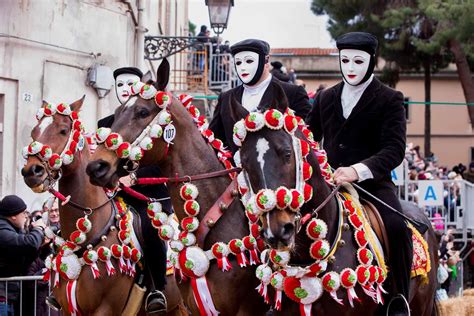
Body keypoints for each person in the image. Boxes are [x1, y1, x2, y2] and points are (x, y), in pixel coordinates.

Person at [305, 32, 412, 315]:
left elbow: (394, 149)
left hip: (372, 185)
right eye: (345, 61)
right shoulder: (324, 98)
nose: (350, 68)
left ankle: (398, 300)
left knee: (398, 228)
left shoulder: (391, 99)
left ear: (371, 61)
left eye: (357, 61)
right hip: (328, 184)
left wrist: (356, 170)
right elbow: (307, 139)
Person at [99, 66, 170, 314]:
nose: (124, 89)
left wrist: (133, 177)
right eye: (119, 85)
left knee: (149, 228)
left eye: (130, 83)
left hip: (147, 198)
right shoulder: (104, 124)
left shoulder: (152, 116)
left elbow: (161, 159)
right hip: (112, 197)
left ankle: (157, 289)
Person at [210, 39, 311, 154]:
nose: (242, 67)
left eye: (249, 61)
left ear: (266, 61)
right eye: (238, 63)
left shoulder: (293, 93)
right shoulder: (226, 98)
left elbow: (307, 138)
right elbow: (215, 140)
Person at [0, 195, 46, 314]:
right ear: (14, 215)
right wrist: (39, 229)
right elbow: (29, 244)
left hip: (9, 296)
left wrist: (40, 244)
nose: (27, 216)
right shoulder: (1, 229)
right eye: (24, 213)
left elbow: (26, 254)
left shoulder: (13, 229)